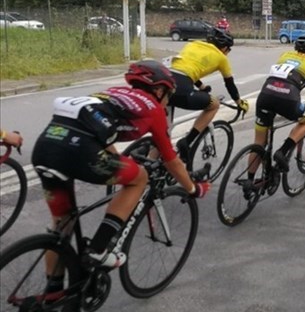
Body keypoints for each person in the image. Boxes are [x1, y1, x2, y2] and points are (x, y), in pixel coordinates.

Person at [31, 60, 210, 273]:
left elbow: (99, 135)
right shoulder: (153, 108)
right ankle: (98, 249)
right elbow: (171, 160)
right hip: (80, 151)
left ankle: (53, 294)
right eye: (169, 95)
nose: (167, 102)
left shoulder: (112, 93)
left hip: (45, 147)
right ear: (160, 90)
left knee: (62, 226)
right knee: (140, 178)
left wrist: (121, 162)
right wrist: (193, 189)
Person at [253, 35, 305, 171]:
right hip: (288, 99)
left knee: (259, 143)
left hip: (264, 96)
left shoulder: (284, 55)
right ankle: (282, 151)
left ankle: (250, 181)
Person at [166, 28, 249, 160]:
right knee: (214, 104)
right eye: (229, 50)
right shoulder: (221, 58)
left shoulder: (192, 44)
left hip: (163, 81)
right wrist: (239, 103)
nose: (228, 53)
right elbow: (230, 84)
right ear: (225, 48)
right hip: (181, 87)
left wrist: (202, 86)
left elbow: (185, 68)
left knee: (163, 135)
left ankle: (151, 162)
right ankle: (187, 142)